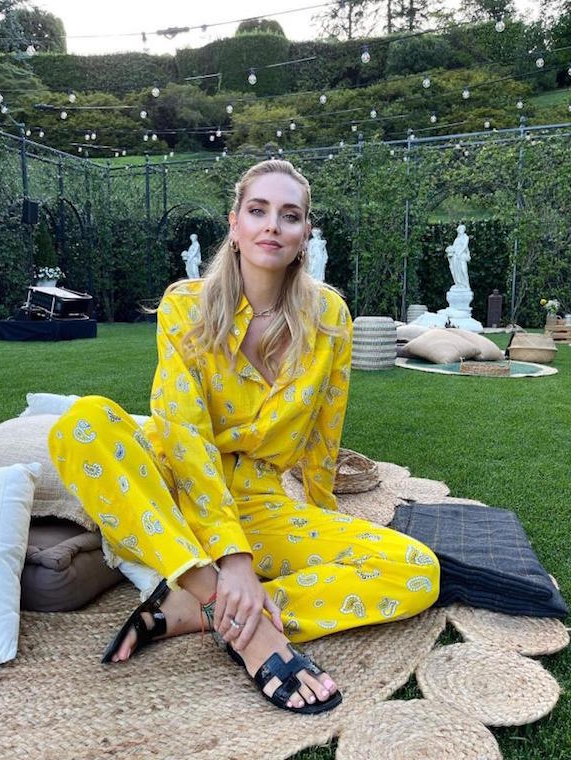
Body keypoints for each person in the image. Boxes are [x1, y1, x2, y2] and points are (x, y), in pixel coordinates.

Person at [49, 160, 440, 715]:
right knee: (82, 423)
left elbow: (325, 435)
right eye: (258, 211)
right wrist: (233, 562)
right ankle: (246, 628)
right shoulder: (185, 305)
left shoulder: (329, 317)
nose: (272, 225)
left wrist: (323, 515)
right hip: (170, 497)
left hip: (259, 502)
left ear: (305, 233)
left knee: (417, 571)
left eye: (290, 215)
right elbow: (184, 436)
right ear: (234, 224)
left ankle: (193, 609)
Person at [445, 224, 471, 289]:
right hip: (455, 256)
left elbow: (465, 246)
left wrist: (460, 253)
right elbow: (454, 247)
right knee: (456, 270)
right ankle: (458, 284)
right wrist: (449, 249)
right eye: (460, 229)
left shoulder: (465, 237)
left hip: (462, 255)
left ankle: (466, 285)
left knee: (463, 270)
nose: (461, 230)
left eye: (462, 229)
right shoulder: (457, 239)